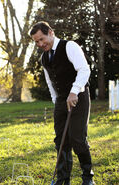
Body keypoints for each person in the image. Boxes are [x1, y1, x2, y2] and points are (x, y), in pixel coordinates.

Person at [30, 21, 94, 185]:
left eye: (42, 39)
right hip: (61, 100)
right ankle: (63, 179)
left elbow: (84, 69)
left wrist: (74, 91)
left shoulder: (69, 46)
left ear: (51, 32)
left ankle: (88, 177)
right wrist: (56, 100)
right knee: (61, 140)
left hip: (78, 96)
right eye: (36, 41)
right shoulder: (44, 57)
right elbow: (50, 82)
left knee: (77, 138)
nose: (40, 44)